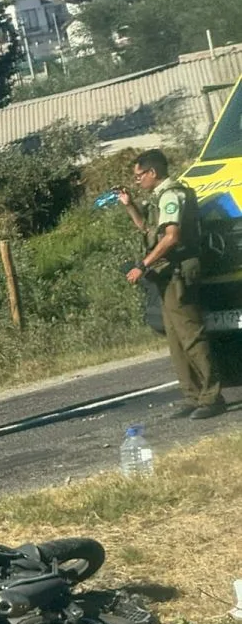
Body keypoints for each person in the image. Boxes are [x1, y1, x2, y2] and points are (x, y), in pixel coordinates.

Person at [118, 149, 226, 420]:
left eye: (139, 175)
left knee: (191, 336)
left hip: (178, 271)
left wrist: (143, 265)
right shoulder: (159, 197)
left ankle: (212, 397)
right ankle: (192, 395)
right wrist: (129, 205)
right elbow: (149, 231)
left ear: (153, 172)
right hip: (166, 274)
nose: (138, 180)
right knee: (176, 340)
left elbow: (171, 237)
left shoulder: (171, 195)